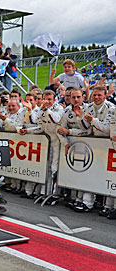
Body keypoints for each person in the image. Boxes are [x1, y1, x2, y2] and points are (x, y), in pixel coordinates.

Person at [19, 90, 64, 203]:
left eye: (50, 99)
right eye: (45, 99)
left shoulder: (59, 108)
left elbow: (56, 119)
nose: (47, 101)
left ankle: (54, 194)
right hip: (47, 141)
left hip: (58, 141)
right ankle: (44, 192)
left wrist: (45, 109)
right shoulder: (41, 109)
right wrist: (27, 130)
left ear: (54, 99)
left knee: (54, 167)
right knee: (46, 167)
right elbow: (37, 123)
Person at [57, 88, 93, 211]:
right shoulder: (67, 111)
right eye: (73, 97)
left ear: (83, 97)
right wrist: (65, 142)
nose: (76, 100)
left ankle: (87, 202)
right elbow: (60, 130)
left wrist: (70, 131)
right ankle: (77, 199)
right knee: (77, 174)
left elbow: (87, 131)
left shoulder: (89, 109)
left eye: (78, 97)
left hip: (92, 148)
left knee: (89, 175)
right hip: (74, 148)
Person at [84, 86, 115, 218]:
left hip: (108, 146)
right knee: (92, 174)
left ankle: (108, 206)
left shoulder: (111, 108)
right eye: (94, 95)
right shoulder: (89, 106)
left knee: (110, 177)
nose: (96, 97)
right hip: (93, 145)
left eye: (99, 95)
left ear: (105, 95)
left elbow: (107, 129)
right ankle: (88, 203)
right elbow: (84, 126)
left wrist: (93, 121)